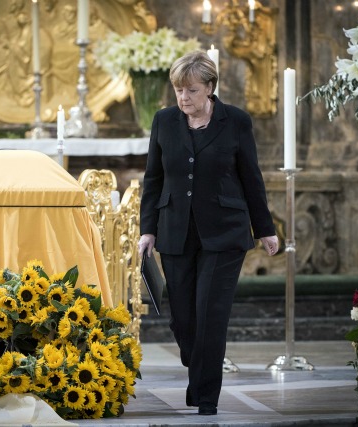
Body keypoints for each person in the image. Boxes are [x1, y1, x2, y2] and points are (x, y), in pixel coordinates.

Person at [138, 50, 279, 416]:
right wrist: (147, 231)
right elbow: (153, 179)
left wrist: (265, 229)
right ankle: (195, 361)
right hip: (174, 232)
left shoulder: (236, 122)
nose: (184, 98)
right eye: (179, 90)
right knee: (183, 317)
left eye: (192, 90)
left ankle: (206, 397)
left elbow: (251, 176)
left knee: (211, 314)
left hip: (225, 233)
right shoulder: (164, 121)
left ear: (210, 88)